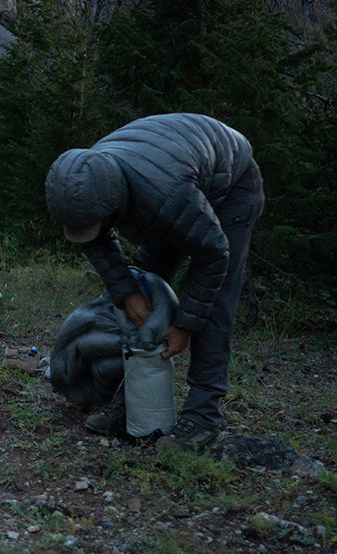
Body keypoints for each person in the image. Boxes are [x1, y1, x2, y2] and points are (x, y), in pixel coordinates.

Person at [44, 113, 265, 450]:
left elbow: (213, 255)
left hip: (231, 188)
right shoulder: (86, 178)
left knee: (214, 304)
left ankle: (203, 416)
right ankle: (135, 399)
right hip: (175, 183)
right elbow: (96, 240)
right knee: (146, 284)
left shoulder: (167, 195)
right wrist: (128, 291)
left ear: (114, 202)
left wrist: (186, 324)